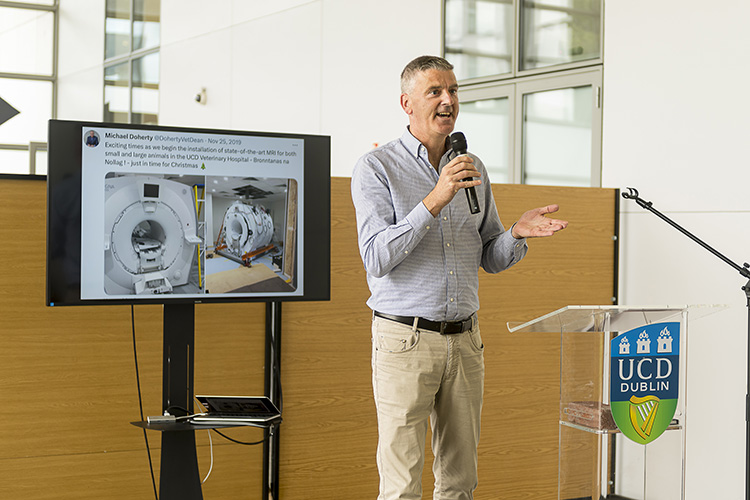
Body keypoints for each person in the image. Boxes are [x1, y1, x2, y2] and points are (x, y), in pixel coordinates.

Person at [350, 55, 568, 500]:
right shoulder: (376, 168)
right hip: (404, 341)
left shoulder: (473, 166)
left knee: (460, 481)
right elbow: (376, 257)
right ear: (406, 103)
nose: (448, 100)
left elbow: (489, 255)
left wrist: (515, 233)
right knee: (402, 485)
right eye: (435, 91)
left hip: (465, 341)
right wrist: (436, 196)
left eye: (453, 91)